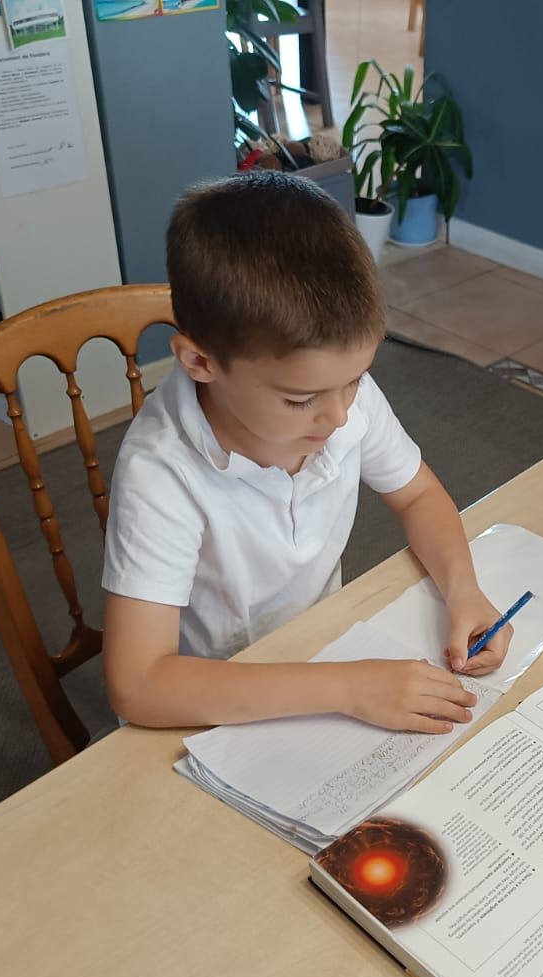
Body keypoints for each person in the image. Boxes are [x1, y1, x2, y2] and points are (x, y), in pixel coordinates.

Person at [101, 173, 508, 732]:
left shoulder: (338, 397)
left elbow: (417, 494)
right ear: (200, 364)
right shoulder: (161, 472)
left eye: (356, 381)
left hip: (322, 651)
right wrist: (350, 687)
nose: (340, 417)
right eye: (300, 398)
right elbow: (140, 686)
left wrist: (464, 591)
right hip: (214, 705)